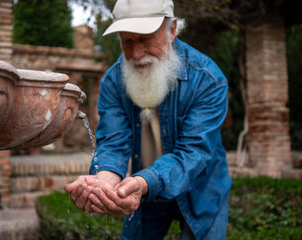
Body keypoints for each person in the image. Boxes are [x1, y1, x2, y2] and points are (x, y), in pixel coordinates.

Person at [65, 0, 232, 239]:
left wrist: (144, 181)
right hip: (144, 189)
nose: (135, 53)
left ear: (172, 30)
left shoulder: (208, 79)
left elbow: (194, 153)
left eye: (146, 38)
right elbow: (113, 142)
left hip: (201, 187)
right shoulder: (113, 81)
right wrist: (103, 183)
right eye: (127, 41)